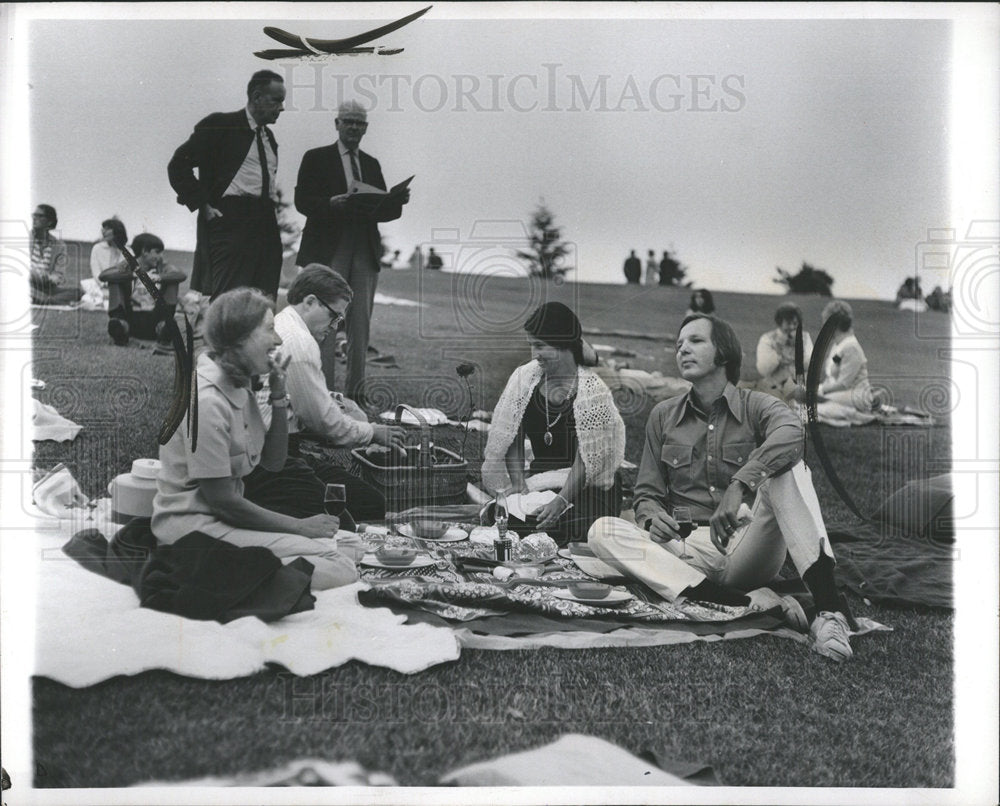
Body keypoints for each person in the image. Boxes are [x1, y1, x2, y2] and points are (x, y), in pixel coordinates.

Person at [587, 314, 855, 661]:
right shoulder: (663, 415)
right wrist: (653, 518)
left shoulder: (756, 404)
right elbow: (647, 494)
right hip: (685, 551)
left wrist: (740, 483)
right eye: (679, 344)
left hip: (748, 544)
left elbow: (794, 433)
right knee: (601, 530)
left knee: (791, 470)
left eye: (696, 341)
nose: (682, 348)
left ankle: (828, 612)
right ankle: (743, 604)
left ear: (724, 353)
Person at [151, 287, 363, 590]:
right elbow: (222, 501)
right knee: (339, 565)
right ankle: (220, 577)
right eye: (269, 330)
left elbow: (274, 462)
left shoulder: (239, 383)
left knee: (351, 546)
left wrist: (278, 396)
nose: (277, 340)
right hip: (192, 531)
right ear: (240, 338)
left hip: (222, 521)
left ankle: (244, 570)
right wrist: (299, 528)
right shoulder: (207, 402)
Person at [251, 265, 408, 522]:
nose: (335, 327)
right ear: (310, 301)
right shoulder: (299, 342)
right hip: (271, 460)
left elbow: (311, 405)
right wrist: (372, 432)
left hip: (277, 449)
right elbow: (324, 422)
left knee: (363, 501)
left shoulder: (285, 325)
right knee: (363, 509)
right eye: (334, 316)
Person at [295, 100, 411, 403]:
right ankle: (322, 392)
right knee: (327, 319)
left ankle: (357, 393)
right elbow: (302, 202)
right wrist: (330, 204)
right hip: (330, 245)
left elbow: (384, 210)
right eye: (348, 121)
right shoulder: (316, 157)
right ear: (336, 123)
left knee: (360, 322)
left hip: (364, 247)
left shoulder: (371, 164)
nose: (354, 128)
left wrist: (398, 201)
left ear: (366, 127)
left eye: (359, 123)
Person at [482, 302, 626, 545]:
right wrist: (518, 481)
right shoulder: (525, 378)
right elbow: (511, 433)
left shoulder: (593, 391)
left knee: (573, 527)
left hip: (586, 488)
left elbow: (587, 459)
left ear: (564, 345)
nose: (534, 355)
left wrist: (561, 501)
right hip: (543, 478)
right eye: (531, 346)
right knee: (497, 516)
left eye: (540, 346)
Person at [168, 70, 286, 301]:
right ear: (256, 96)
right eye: (276, 100)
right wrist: (202, 205)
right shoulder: (220, 126)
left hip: (266, 225)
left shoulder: (269, 138)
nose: (281, 108)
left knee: (262, 300)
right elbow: (178, 165)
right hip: (231, 222)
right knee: (229, 300)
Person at [98, 232, 187, 350]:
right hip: (131, 319)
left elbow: (180, 275)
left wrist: (159, 278)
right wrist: (132, 275)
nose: (160, 256)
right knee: (114, 280)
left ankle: (164, 327)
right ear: (145, 251)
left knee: (172, 281)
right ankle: (120, 325)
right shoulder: (128, 265)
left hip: (154, 320)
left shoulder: (162, 266)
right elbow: (104, 275)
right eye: (157, 252)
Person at [817, 300, 874, 413]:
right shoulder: (838, 344)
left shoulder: (851, 347)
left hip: (856, 395)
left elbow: (843, 384)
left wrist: (819, 390)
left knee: (813, 405)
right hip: (841, 393)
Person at [753, 301, 813, 403]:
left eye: (795, 323)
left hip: (799, 386)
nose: (792, 327)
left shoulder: (805, 337)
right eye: (788, 323)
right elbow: (763, 369)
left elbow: (811, 364)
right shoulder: (767, 339)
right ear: (780, 323)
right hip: (774, 385)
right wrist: (779, 354)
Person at [29, 204, 81, 305]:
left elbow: (58, 275)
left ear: (50, 222)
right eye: (34, 215)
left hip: (45, 287)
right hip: (26, 284)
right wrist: (36, 275)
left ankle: (44, 300)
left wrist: (50, 278)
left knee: (78, 292)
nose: (35, 218)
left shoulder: (59, 246)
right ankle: (48, 300)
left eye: (40, 216)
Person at [89, 218, 127, 284]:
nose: (103, 231)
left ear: (117, 230)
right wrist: (105, 285)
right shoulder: (97, 248)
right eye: (103, 228)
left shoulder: (128, 251)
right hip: (102, 287)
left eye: (107, 229)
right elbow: (96, 273)